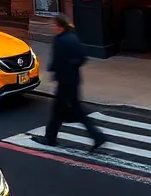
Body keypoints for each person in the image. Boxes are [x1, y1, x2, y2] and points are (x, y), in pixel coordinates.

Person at [34, 15, 105, 150]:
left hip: (64, 82)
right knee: (69, 112)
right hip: (74, 80)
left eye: (53, 25)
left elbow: (57, 62)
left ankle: (50, 138)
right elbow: (82, 58)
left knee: (61, 112)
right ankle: (97, 136)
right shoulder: (72, 37)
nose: (52, 28)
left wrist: (54, 71)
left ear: (59, 26)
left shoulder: (59, 40)